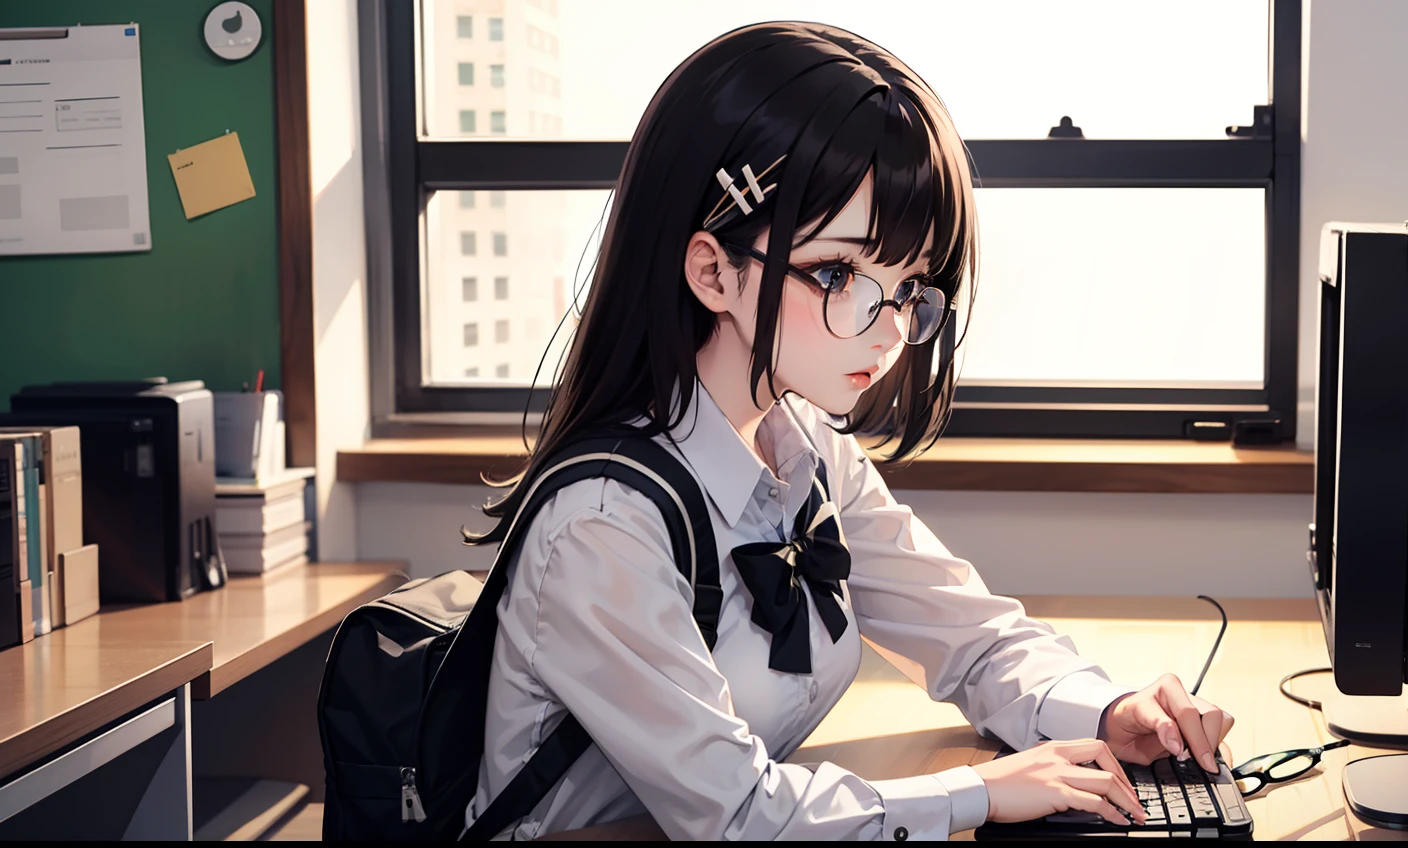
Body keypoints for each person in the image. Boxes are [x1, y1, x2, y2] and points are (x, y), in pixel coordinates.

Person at [461, 21, 1235, 841]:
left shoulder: (803, 446)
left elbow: (968, 636)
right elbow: (737, 813)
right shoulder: (604, 525)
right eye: (837, 274)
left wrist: (1110, 710)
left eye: (907, 286)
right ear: (713, 269)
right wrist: (978, 791)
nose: (888, 328)